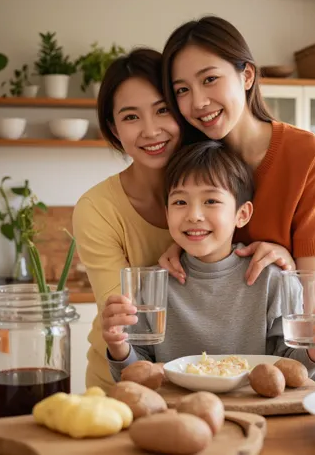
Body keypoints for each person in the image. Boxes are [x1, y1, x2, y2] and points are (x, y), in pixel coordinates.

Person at [104, 141, 315, 384]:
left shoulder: (272, 279)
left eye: (211, 201)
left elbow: (296, 372)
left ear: (242, 214)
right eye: (180, 202)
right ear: (167, 214)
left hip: (257, 411)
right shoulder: (154, 284)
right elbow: (135, 374)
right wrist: (118, 347)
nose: (194, 215)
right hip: (177, 414)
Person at [159, 16, 315, 307]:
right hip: (221, 330)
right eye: (182, 89)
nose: (198, 102)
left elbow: (312, 282)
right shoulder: (189, 159)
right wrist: (180, 246)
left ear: (246, 76)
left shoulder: (307, 153)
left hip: (291, 327)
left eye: (209, 79)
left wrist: (287, 264)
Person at [72, 48, 182, 392]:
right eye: (131, 117)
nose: (151, 131)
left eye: (162, 110)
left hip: (201, 374)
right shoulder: (97, 208)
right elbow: (126, 320)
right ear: (113, 128)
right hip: (120, 381)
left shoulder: (222, 189)